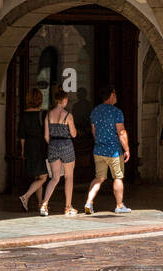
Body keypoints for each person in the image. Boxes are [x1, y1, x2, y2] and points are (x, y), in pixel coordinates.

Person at [85, 85, 131, 214]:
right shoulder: (116, 112)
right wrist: (126, 149)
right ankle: (119, 205)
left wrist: (100, 143)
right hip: (114, 151)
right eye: (115, 94)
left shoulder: (95, 111)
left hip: (99, 150)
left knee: (99, 178)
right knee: (118, 177)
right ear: (111, 95)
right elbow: (121, 132)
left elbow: (94, 131)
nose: (116, 97)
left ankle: (89, 202)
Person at [40, 90, 79, 216]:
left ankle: (44, 204)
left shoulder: (48, 115)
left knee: (55, 178)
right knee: (69, 177)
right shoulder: (68, 115)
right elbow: (73, 134)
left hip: (53, 146)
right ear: (64, 100)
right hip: (66, 146)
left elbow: (46, 136)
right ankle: (68, 207)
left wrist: (53, 143)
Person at [17, 87, 50, 212]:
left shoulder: (24, 115)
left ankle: (40, 203)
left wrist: (22, 150)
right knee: (43, 177)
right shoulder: (43, 114)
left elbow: (22, 135)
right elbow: (47, 133)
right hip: (40, 146)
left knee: (38, 178)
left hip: (29, 146)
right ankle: (26, 196)